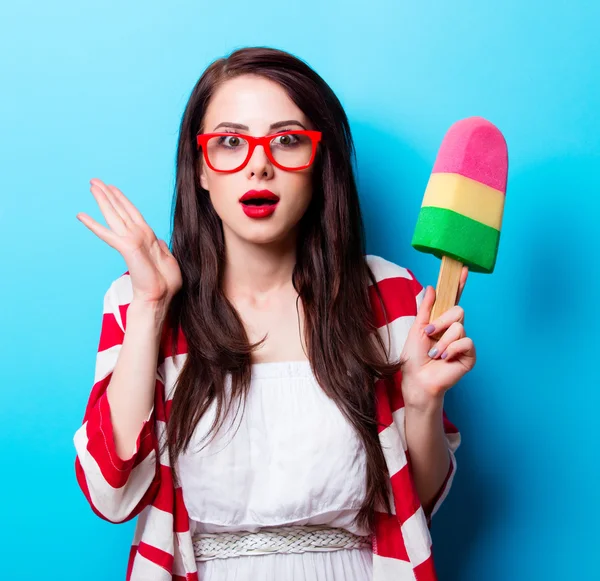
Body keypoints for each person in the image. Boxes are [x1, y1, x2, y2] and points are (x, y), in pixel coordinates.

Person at [73, 46, 475, 581]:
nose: (259, 164)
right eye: (230, 142)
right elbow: (110, 492)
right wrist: (151, 307)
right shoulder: (139, 299)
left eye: (287, 140)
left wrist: (424, 402)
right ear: (199, 169)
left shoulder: (388, 296)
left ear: (318, 163)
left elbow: (413, 507)